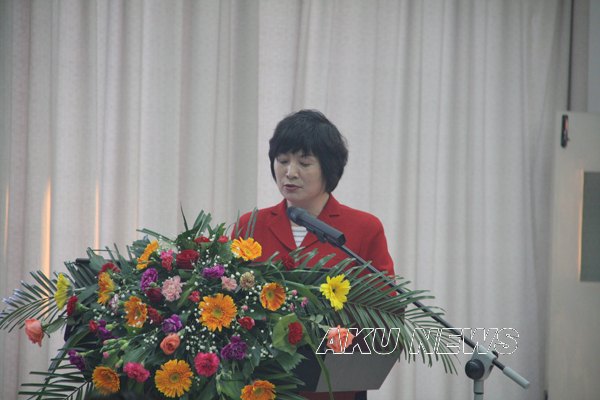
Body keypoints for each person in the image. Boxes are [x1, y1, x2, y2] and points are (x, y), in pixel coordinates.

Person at [236, 110, 395, 400]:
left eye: (304, 163)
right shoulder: (251, 224)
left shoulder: (363, 228)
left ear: (328, 168)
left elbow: (385, 312)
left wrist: (328, 340)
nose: (290, 172)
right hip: (261, 387)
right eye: (282, 160)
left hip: (333, 388)